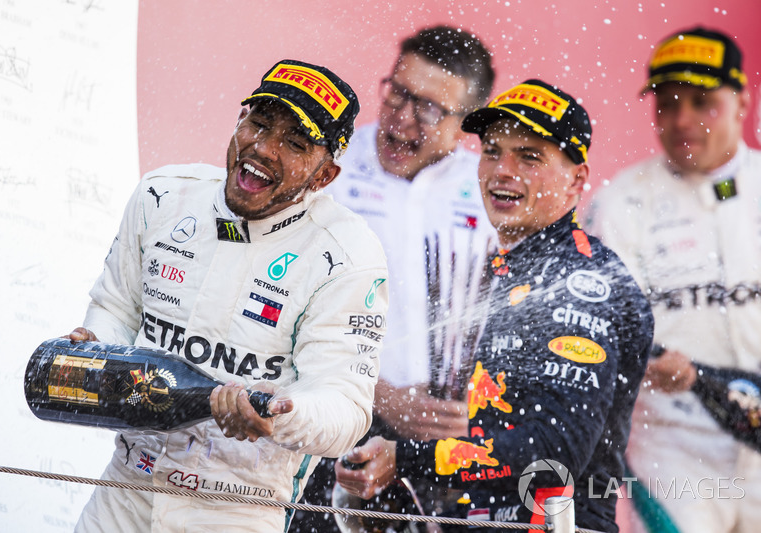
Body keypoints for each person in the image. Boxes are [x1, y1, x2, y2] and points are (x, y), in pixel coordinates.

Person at [66, 59, 389, 533]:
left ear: (324, 176)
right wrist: (96, 345)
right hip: (124, 493)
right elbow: (116, 308)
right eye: (258, 123)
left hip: (238, 511)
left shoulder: (348, 256)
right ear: (239, 120)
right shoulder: (163, 195)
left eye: (295, 143)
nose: (262, 148)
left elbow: (346, 408)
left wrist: (280, 412)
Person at [335, 79, 654, 533]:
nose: (503, 171)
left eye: (529, 157)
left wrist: (406, 458)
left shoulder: (581, 281)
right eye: (492, 151)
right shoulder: (515, 267)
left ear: (577, 180)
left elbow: (555, 449)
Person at [290, 25, 497, 531]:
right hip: (329, 417)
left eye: (427, 107)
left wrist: (478, 407)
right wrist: (378, 396)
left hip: (443, 448)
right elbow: (279, 303)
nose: (402, 119)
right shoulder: (328, 169)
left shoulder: (491, 191)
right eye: (397, 93)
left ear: (465, 123)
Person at [585, 27, 761, 533]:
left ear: (742, 102)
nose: (682, 120)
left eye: (703, 102)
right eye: (667, 104)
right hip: (675, 445)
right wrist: (649, 363)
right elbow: (606, 327)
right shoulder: (622, 201)